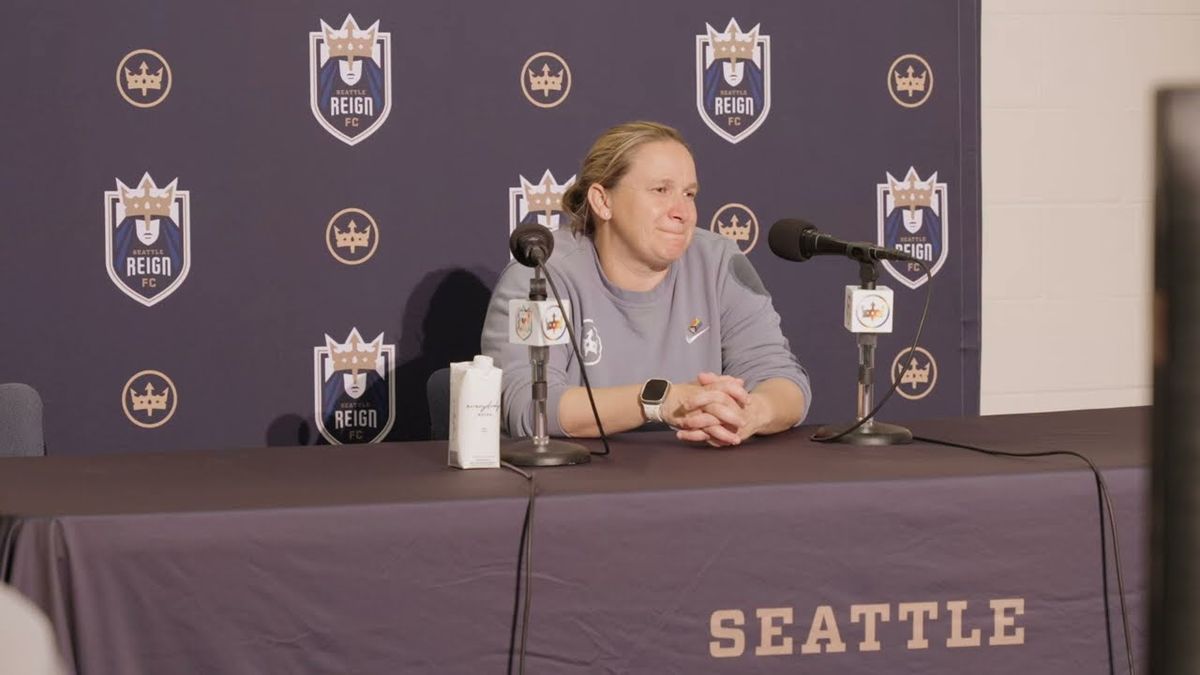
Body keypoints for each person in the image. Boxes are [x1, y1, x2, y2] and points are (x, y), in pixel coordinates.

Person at [482, 121, 810, 447]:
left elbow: (782, 378)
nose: (683, 212)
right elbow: (529, 406)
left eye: (689, 194)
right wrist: (658, 400)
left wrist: (753, 412)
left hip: (699, 478)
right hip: (576, 485)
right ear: (602, 201)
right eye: (660, 190)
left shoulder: (717, 261)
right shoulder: (540, 271)